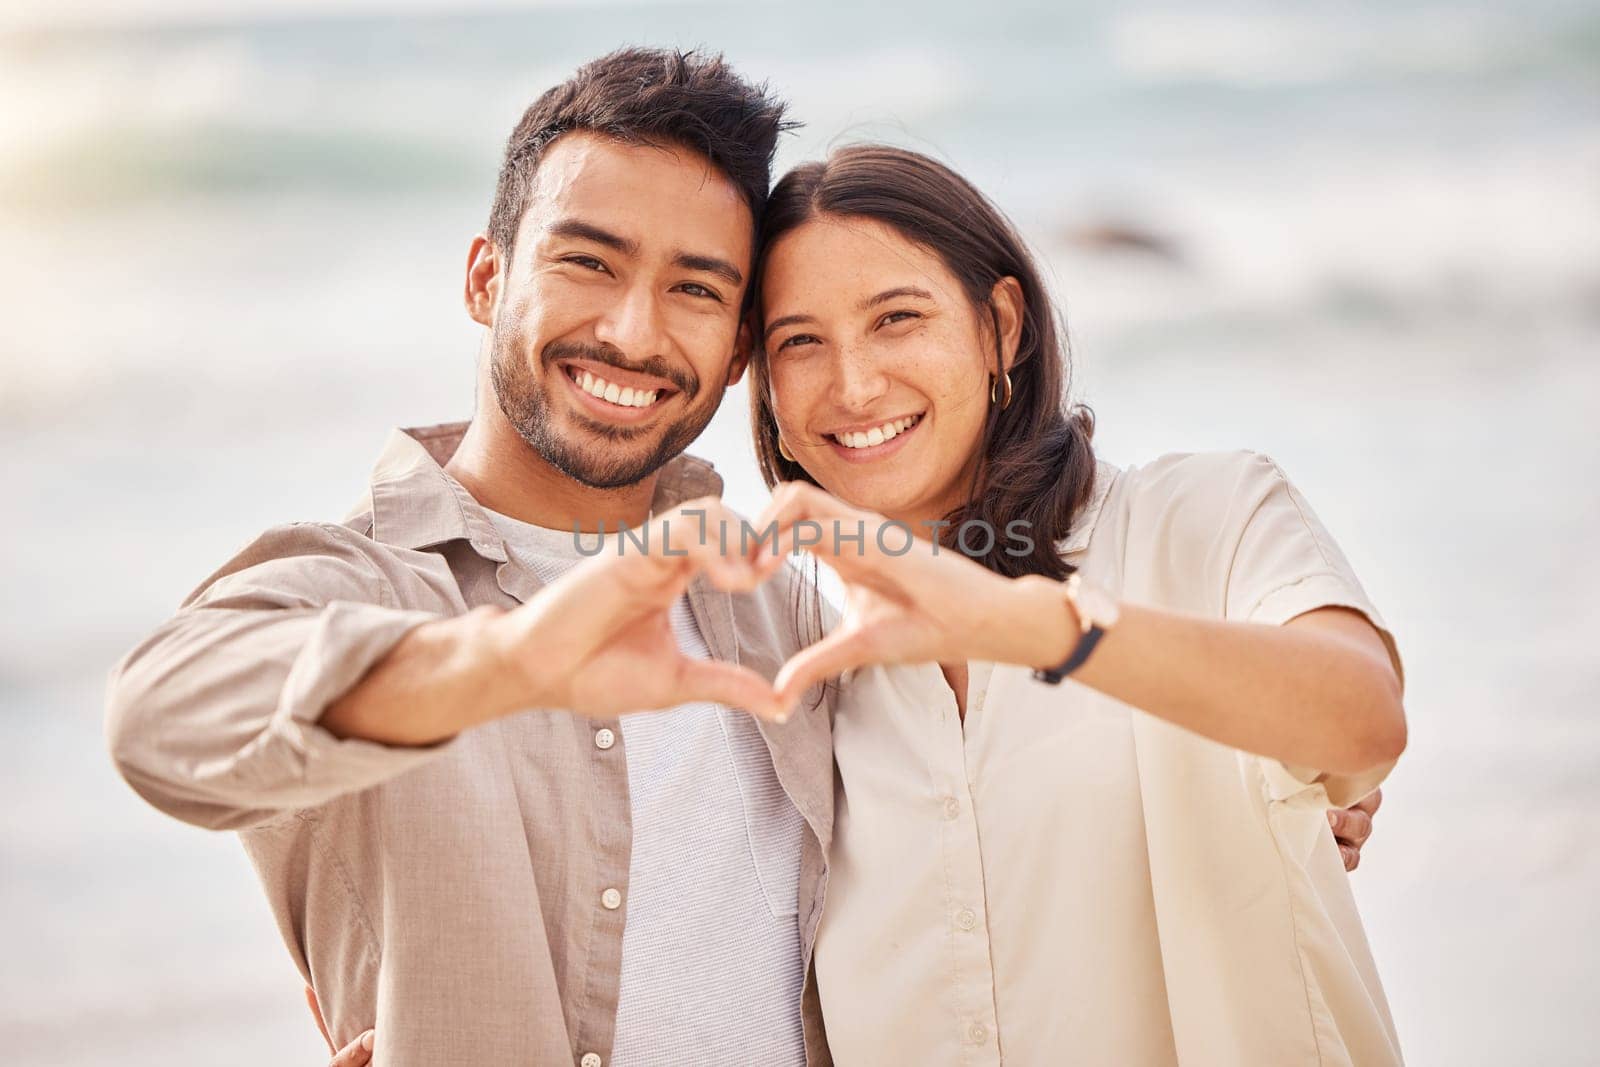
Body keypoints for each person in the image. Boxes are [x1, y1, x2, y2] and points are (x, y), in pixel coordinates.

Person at [105, 49, 836, 1067]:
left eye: (695, 289)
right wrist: (505, 664)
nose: (633, 331)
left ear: (740, 342)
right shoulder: (359, 579)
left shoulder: (781, 611)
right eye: (587, 262)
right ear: (487, 278)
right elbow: (155, 719)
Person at [741, 144, 1407, 1065]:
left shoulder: (1203, 518)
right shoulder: (793, 664)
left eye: (897, 319)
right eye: (799, 342)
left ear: (1000, 326)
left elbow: (1363, 721)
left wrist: (1029, 624)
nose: (853, 385)